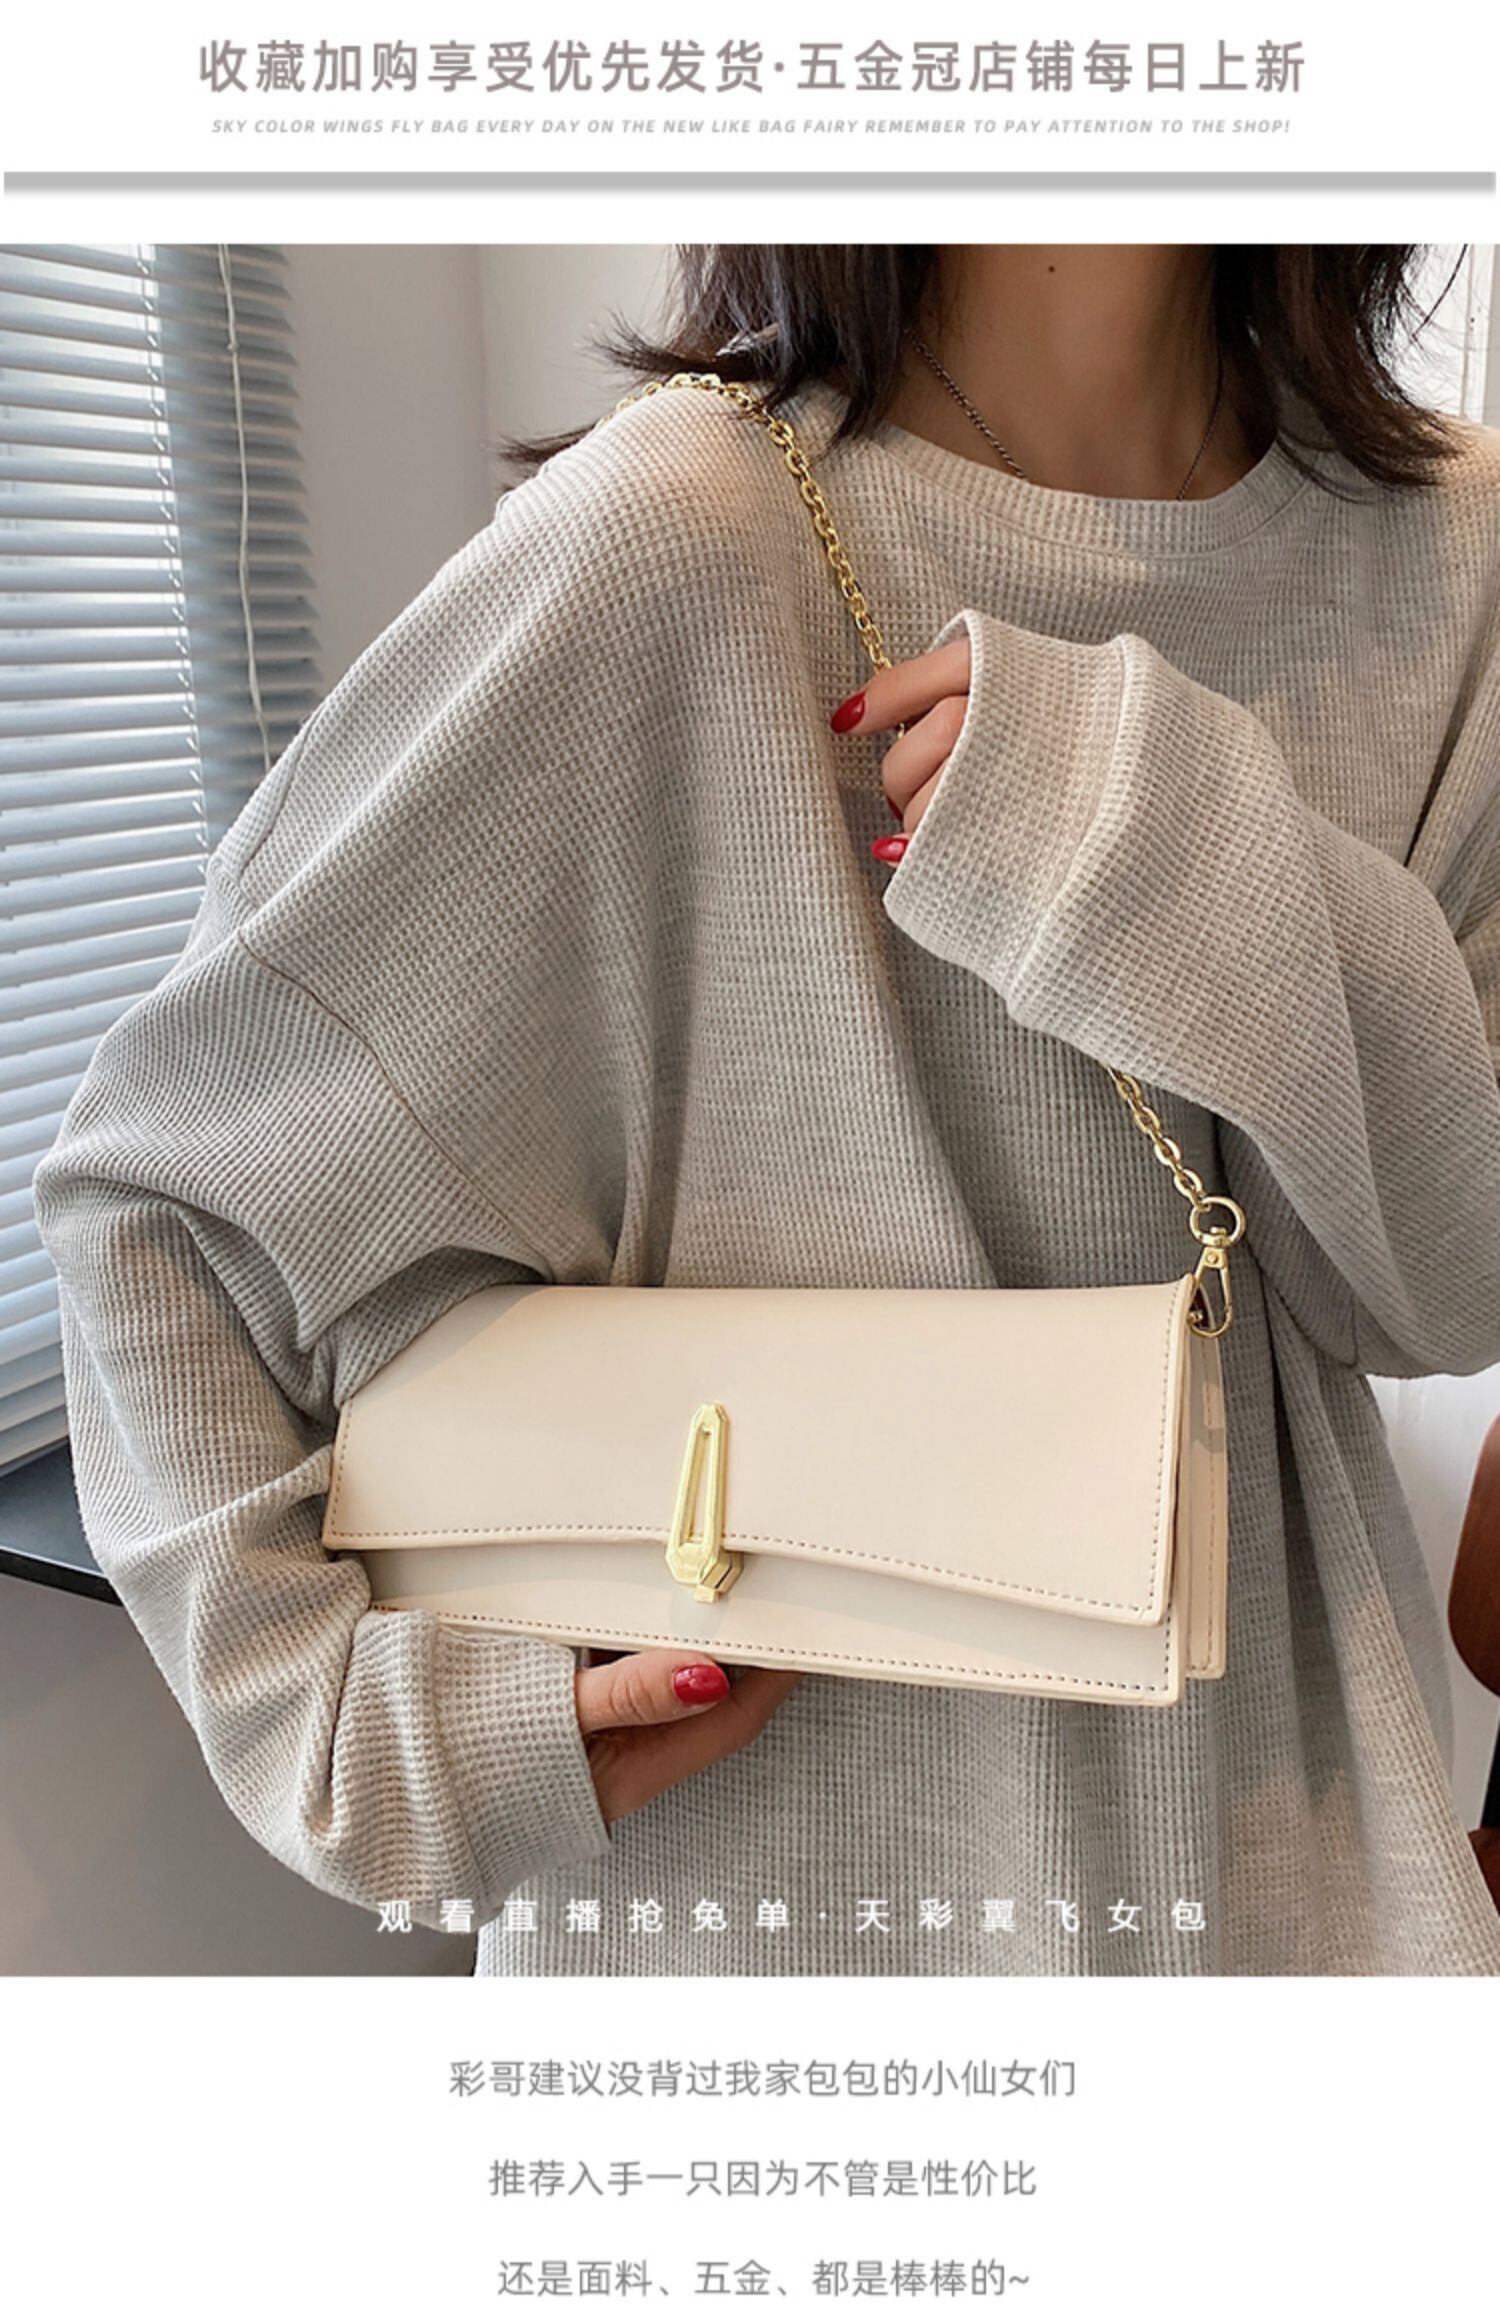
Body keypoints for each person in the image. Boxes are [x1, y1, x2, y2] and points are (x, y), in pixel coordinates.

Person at [34, 244, 1500, 1975]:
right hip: (763, 1930)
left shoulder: (1456, 555)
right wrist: (368, 1736)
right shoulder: (678, 534)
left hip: (1288, 1892)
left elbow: (1445, 1286)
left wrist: (1176, 851)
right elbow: (165, 1199)